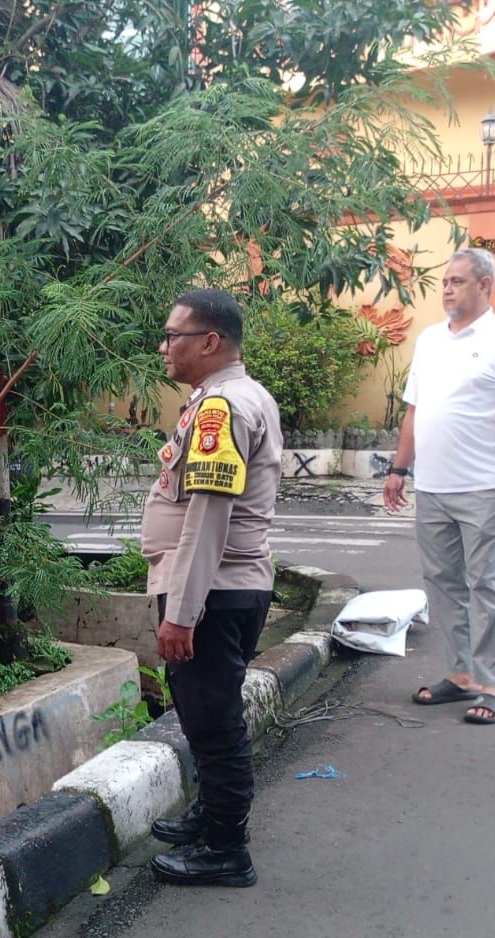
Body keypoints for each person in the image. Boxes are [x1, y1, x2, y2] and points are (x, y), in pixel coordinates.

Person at [140, 288, 282, 887]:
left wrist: (183, 612)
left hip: (213, 593)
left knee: (215, 721)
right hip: (223, 590)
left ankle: (226, 849)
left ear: (209, 341)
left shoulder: (222, 407)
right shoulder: (225, 397)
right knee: (203, 717)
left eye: (174, 335)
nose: (165, 346)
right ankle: (209, 818)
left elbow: (209, 516)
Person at [383, 247, 495, 726]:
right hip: (432, 487)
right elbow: (414, 410)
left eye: (457, 281)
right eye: (445, 282)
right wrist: (399, 469)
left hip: (484, 486)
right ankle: (461, 675)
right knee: (443, 584)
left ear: (484, 286)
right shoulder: (430, 340)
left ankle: (493, 683)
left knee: (488, 585)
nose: (447, 288)